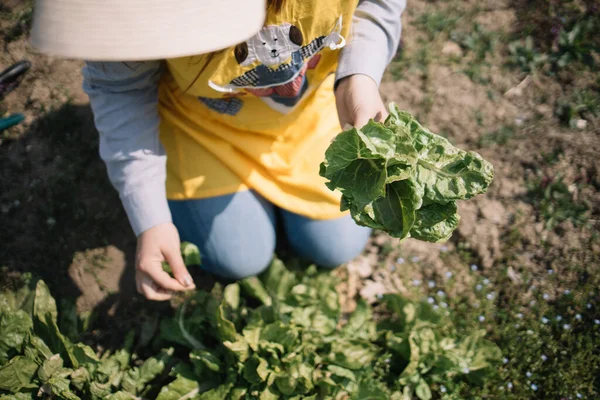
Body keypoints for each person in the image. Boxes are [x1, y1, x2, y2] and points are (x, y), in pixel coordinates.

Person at [32, 0, 405, 300]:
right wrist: (150, 217)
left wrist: (358, 78)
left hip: (308, 114)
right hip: (201, 128)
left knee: (335, 247)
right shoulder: (128, 13)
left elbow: (377, 7)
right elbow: (121, 90)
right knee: (240, 258)